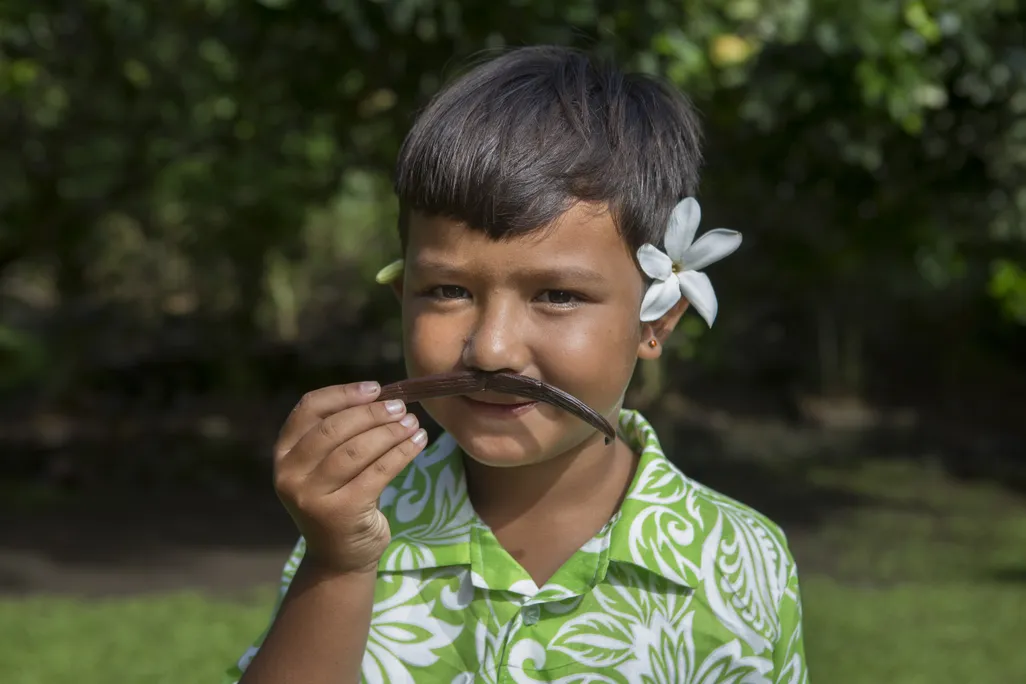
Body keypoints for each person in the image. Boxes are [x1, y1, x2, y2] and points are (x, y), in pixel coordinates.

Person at [225, 45, 808, 684]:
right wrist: (336, 567)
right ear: (402, 298)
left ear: (656, 319)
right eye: (448, 291)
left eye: (557, 295)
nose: (492, 350)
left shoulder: (743, 559)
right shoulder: (358, 525)